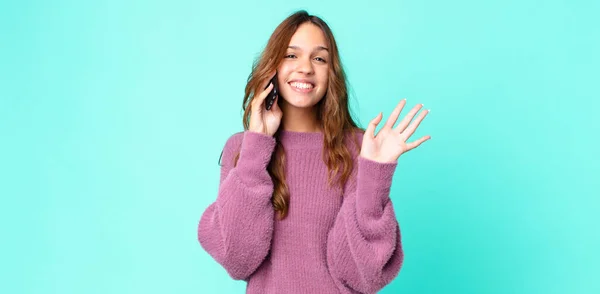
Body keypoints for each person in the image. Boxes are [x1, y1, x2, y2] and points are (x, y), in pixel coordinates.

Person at [197, 10, 431, 294]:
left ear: (331, 73)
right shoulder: (243, 148)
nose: (305, 68)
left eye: (319, 58)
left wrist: (375, 174)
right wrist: (257, 143)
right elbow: (237, 259)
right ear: (272, 66)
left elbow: (362, 276)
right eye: (291, 55)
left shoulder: (359, 148)